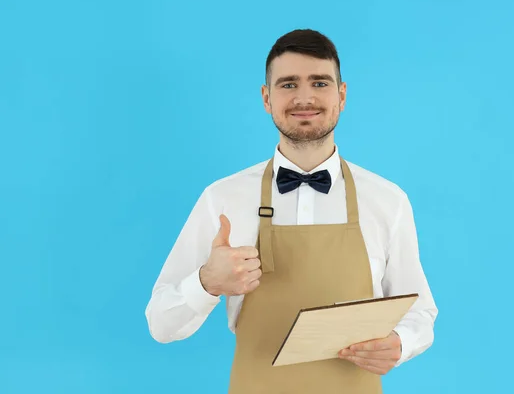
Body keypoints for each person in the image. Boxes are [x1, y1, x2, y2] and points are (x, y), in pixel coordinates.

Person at [145, 28, 438, 393]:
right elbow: (160, 324)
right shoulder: (223, 198)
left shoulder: (387, 200)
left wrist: (400, 343)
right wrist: (207, 282)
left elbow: (420, 312)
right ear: (266, 98)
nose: (304, 97)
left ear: (342, 95)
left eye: (319, 83)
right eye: (287, 85)